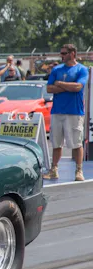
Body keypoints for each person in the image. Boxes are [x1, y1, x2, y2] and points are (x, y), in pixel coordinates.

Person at [43, 44, 89, 181]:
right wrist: (68, 87)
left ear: (72, 53)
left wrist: (60, 84)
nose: (61, 55)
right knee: (56, 143)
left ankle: (79, 170)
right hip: (57, 111)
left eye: (64, 53)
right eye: (61, 53)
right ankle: (54, 170)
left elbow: (78, 86)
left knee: (76, 143)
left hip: (74, 111)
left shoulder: (82, 69)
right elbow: (49, 88)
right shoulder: (56, 69)